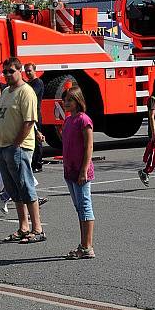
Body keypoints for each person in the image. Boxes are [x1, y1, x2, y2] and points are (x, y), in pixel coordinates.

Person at [0, 57, 45, 244]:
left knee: (26, 186)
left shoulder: (26, 92)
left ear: (20, 71)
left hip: (18, 147)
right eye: (5, 71)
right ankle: (23, 227)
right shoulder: (7, 91)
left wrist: (16, 143)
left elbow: (29, 121)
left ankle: (37, 229)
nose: (7, 74)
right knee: (13, 188)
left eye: (11, 71)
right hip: (2, 146)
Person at [62, 86, 96, 259]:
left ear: (78, 101)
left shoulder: (84, 120)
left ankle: (87, 246)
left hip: (81, 171)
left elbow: (89, 146)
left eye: (69, 100)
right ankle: (83, 244)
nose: (66, 103)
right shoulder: (68, 120)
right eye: (65, 100)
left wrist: (83, 170)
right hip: (70, 170)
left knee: (85, 207)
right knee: (79, 208)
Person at [24, 63, 45, 173]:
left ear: (34, 70)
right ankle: (32, 163)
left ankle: (38, 163)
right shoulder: (28, 83)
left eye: (29, 70)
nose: (27, 73)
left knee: (37, 139)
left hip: (35, 113)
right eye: (26, 71)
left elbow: (31, 94)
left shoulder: (38, 82)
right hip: (29, 112)